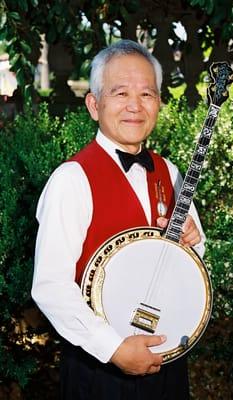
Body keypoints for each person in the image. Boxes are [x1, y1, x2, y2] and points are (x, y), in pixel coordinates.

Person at [32, 39, 206, 400]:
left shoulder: (171, 173)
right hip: (99, 373)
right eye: (121, 93)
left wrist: (192, 244)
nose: (134, 106)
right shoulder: (72, 179)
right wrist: (113, 348)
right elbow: (50, 286)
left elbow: (194, 266)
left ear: (159, 103)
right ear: (95, 105)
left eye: (147, 94)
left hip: (168, 363)